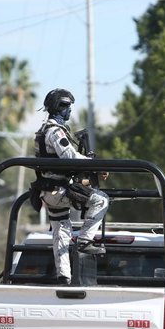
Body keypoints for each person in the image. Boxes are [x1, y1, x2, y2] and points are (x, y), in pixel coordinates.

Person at [31, 88, 109, 285]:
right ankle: (84, 241)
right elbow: (69, 157)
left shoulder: (42, 131)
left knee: (61, 231)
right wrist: (97, 166)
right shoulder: (55, 132)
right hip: (60, 189)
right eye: (67, 107)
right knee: (101, 200)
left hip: (49, 191)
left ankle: (64, 275)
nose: (70, 112)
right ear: (60, 107)